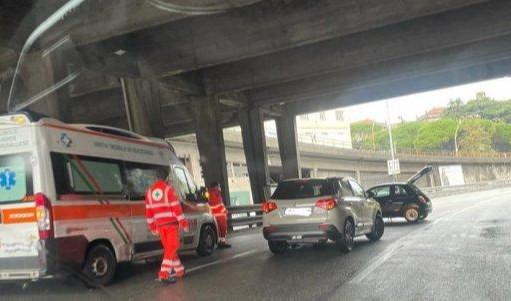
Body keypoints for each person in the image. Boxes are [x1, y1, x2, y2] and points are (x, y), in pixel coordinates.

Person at [145, 168, 189, 283]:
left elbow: (149, 212)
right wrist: (184, 223)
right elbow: (176, 208)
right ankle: (164, 274)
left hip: (160, 226)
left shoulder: (149, 192)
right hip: (171, 225)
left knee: (169, 249)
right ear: (167, 178)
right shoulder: (169, 190)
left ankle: (179, 270)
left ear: (155, 178)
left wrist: (153, 227)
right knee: (172, 248)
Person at [208, 182, 231, 248]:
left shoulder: (210, 193)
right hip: (219, 216)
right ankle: (222, 243)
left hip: (215, 215)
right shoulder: (216, 194)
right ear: (215, 187)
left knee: (219, 230)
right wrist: (225, 211)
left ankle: (221, 242)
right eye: (218, 186)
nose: (219, 187)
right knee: (222, 229)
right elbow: (219, 205)